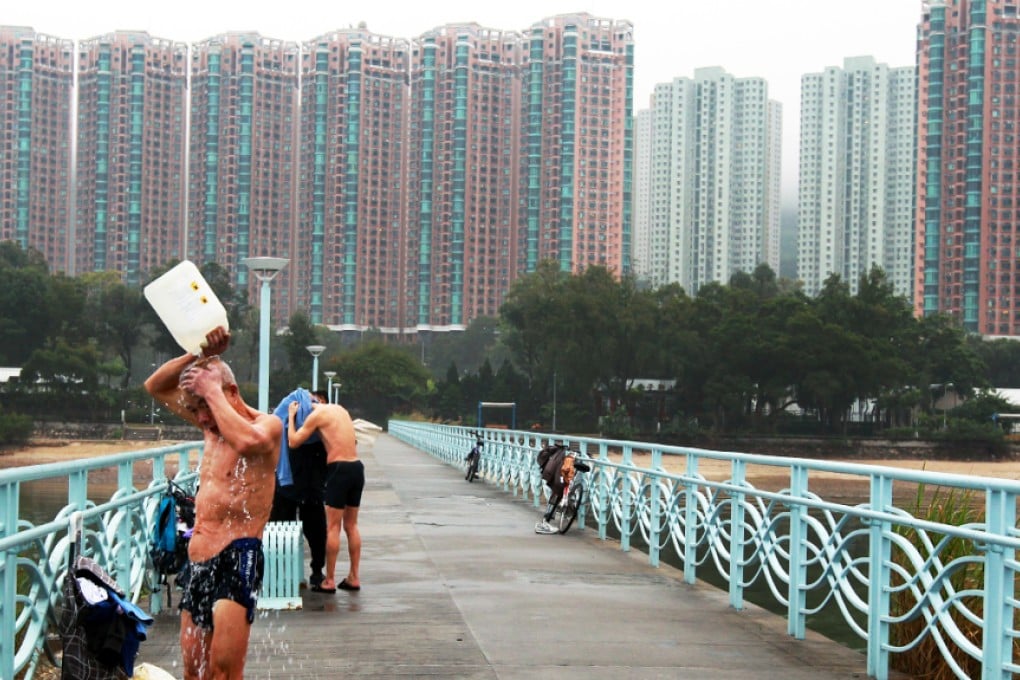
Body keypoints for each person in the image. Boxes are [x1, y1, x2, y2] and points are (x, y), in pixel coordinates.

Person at [144, 327, 281, 680]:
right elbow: (155, 387)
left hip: (238, 554)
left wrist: (212, 390)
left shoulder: (267, 425)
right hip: (197, 559)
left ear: (229, 392)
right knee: (193, 670)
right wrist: (196, 354)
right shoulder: (210, 425)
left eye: (204, 405)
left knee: (222, 671)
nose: (201, 417)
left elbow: (249, 442)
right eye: (195, 409)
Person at [286, 391, 363, 593]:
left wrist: (292, 416)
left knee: (333, 528)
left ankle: (328, 580)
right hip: (357, 467)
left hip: (339, 470)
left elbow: (293, 442)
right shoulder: (341, 410)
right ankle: (354, 577)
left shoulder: (316, 415)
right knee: (352, 525)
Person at [270, 389, 328, 591]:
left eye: (315, 402)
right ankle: (279, 574)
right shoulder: (290, 418)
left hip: (308, 486)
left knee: (317, 533)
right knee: (279, 531)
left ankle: (316, 572)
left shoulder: (322, 427)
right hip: (290, 484)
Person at [534, 442, 574, 534]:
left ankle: (546, 521)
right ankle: (545, 523)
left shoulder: (557, 455)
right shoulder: (561, 456)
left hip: (550, 475)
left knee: (557, 492)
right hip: (554, 478)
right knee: (557, 492)